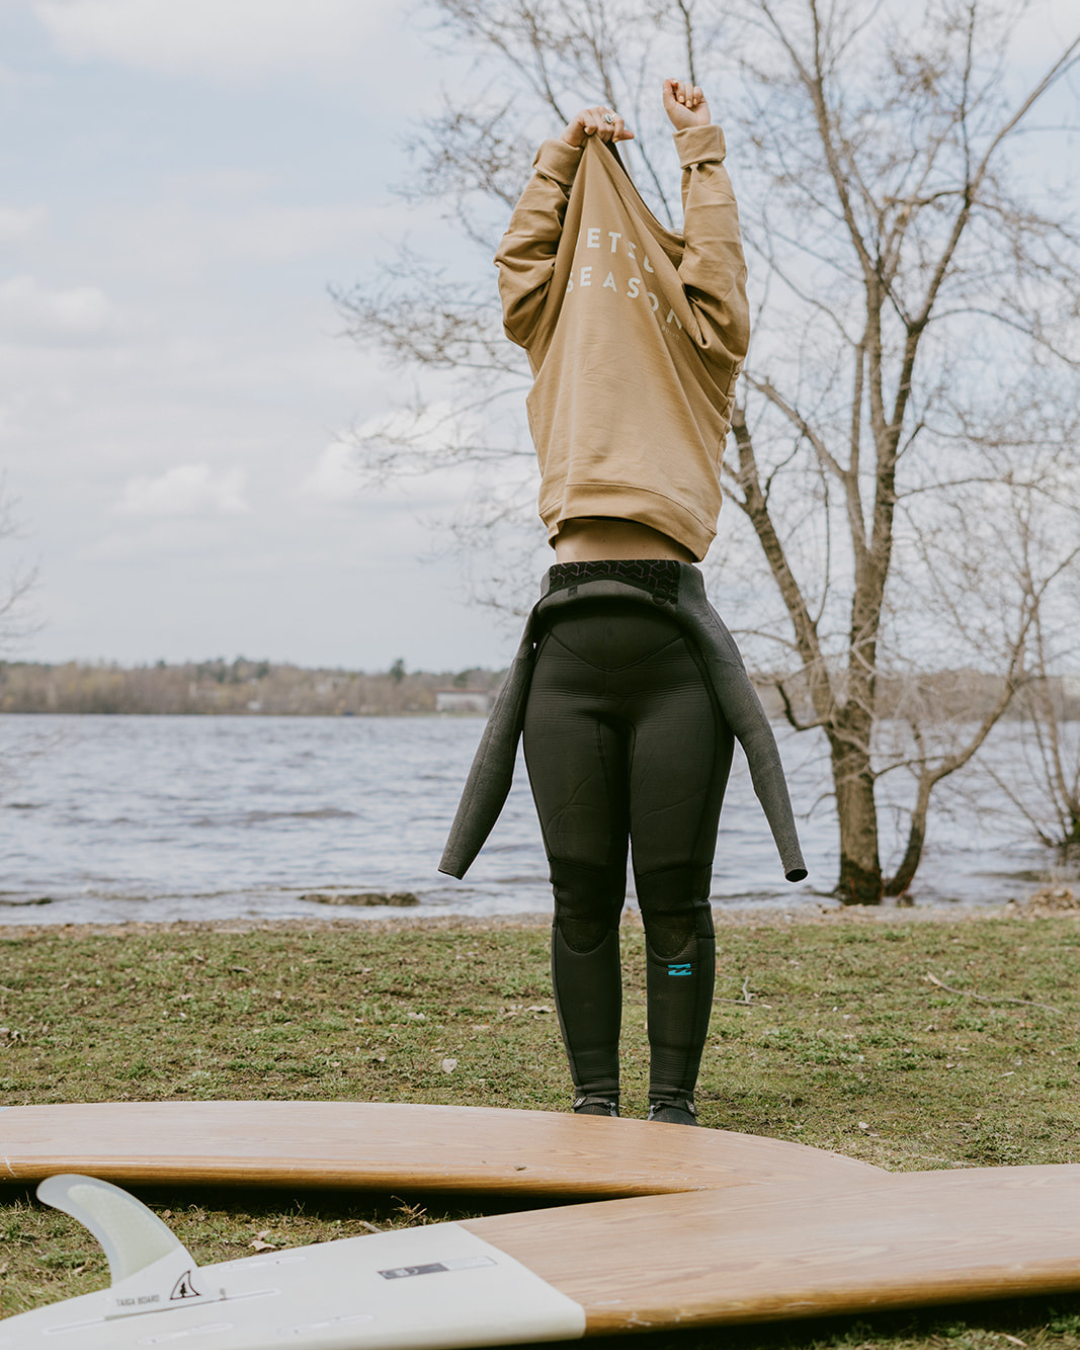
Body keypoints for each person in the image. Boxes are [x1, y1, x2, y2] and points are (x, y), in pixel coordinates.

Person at [440, 80, 806, 1126]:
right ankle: (594, 1105)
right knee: (581, 893)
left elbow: (718, 269)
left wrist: (701, 150)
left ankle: (673, 1108)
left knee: (676, 897)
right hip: (565, 650)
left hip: (674, 652)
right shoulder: (552, 324)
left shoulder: (707, 346)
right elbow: (519, 265)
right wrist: (559, 158)